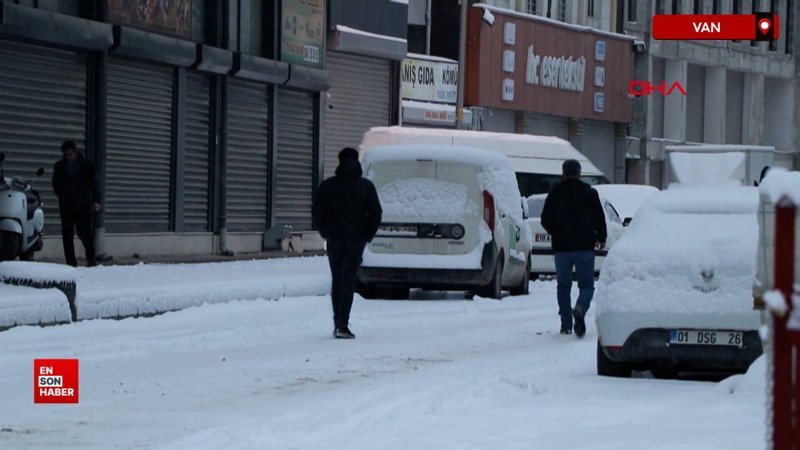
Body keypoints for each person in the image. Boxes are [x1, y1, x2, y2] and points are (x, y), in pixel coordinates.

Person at [312, 147, 382, 339]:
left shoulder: (328, 186)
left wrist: (325, 232)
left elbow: (317, 211)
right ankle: (343, 322)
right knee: (348, 280)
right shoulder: (366, 186)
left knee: (337, 280)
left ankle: (337, 321)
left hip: (335, 240)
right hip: (356, 240)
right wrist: (367, 235)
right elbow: (376, 213)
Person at [540, 159, 607, 337]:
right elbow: (599, 217)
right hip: (585, 247)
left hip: (562, 248)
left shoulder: (556, 192)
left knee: (563, 285)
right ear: (579, 173)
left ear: (563, 173)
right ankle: (580, 308)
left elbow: (545, 218)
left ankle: (566, 324)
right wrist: (601, 237)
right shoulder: (589, 193)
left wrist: (556, 231)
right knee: (587, 285)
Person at [52, 140, 101, 267]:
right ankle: (71, 262)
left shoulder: (86, 166)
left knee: (85, 234)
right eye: (66, 154)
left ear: (75, 152)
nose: (68, 157)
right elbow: (56, 184)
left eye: (70, 154)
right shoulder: (60, 167)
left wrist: (96, 201)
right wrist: (62, 196)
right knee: (67, 235)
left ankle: (91, 260)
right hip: (67, 206)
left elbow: (95, 185)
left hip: (82, 206)